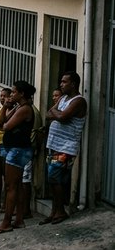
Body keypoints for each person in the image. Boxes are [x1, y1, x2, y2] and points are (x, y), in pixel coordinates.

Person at [0, 81, 36, 235]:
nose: (11, 95)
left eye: (14, 92)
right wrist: (5, 105)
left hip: (18, 150)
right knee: (16, 185)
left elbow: (6, 126)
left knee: (11, 186)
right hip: (16, 149)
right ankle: (19, 219)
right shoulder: (17, 107)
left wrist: (1, 125)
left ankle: (6, 222)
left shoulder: (25, 109)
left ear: (22, 94)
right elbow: (2, 121)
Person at [43, 72, 86, 225]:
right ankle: (55, 211)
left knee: (55, 178)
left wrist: (56, 113)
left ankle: (60, 211)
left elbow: (61, 117)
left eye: (64, 82)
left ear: (73, 84)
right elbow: (48, 114)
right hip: (54, 145)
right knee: (53, 179)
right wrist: (57, 113)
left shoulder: (78, 101)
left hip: (66, 147)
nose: (61, 84)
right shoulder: (63, 98)